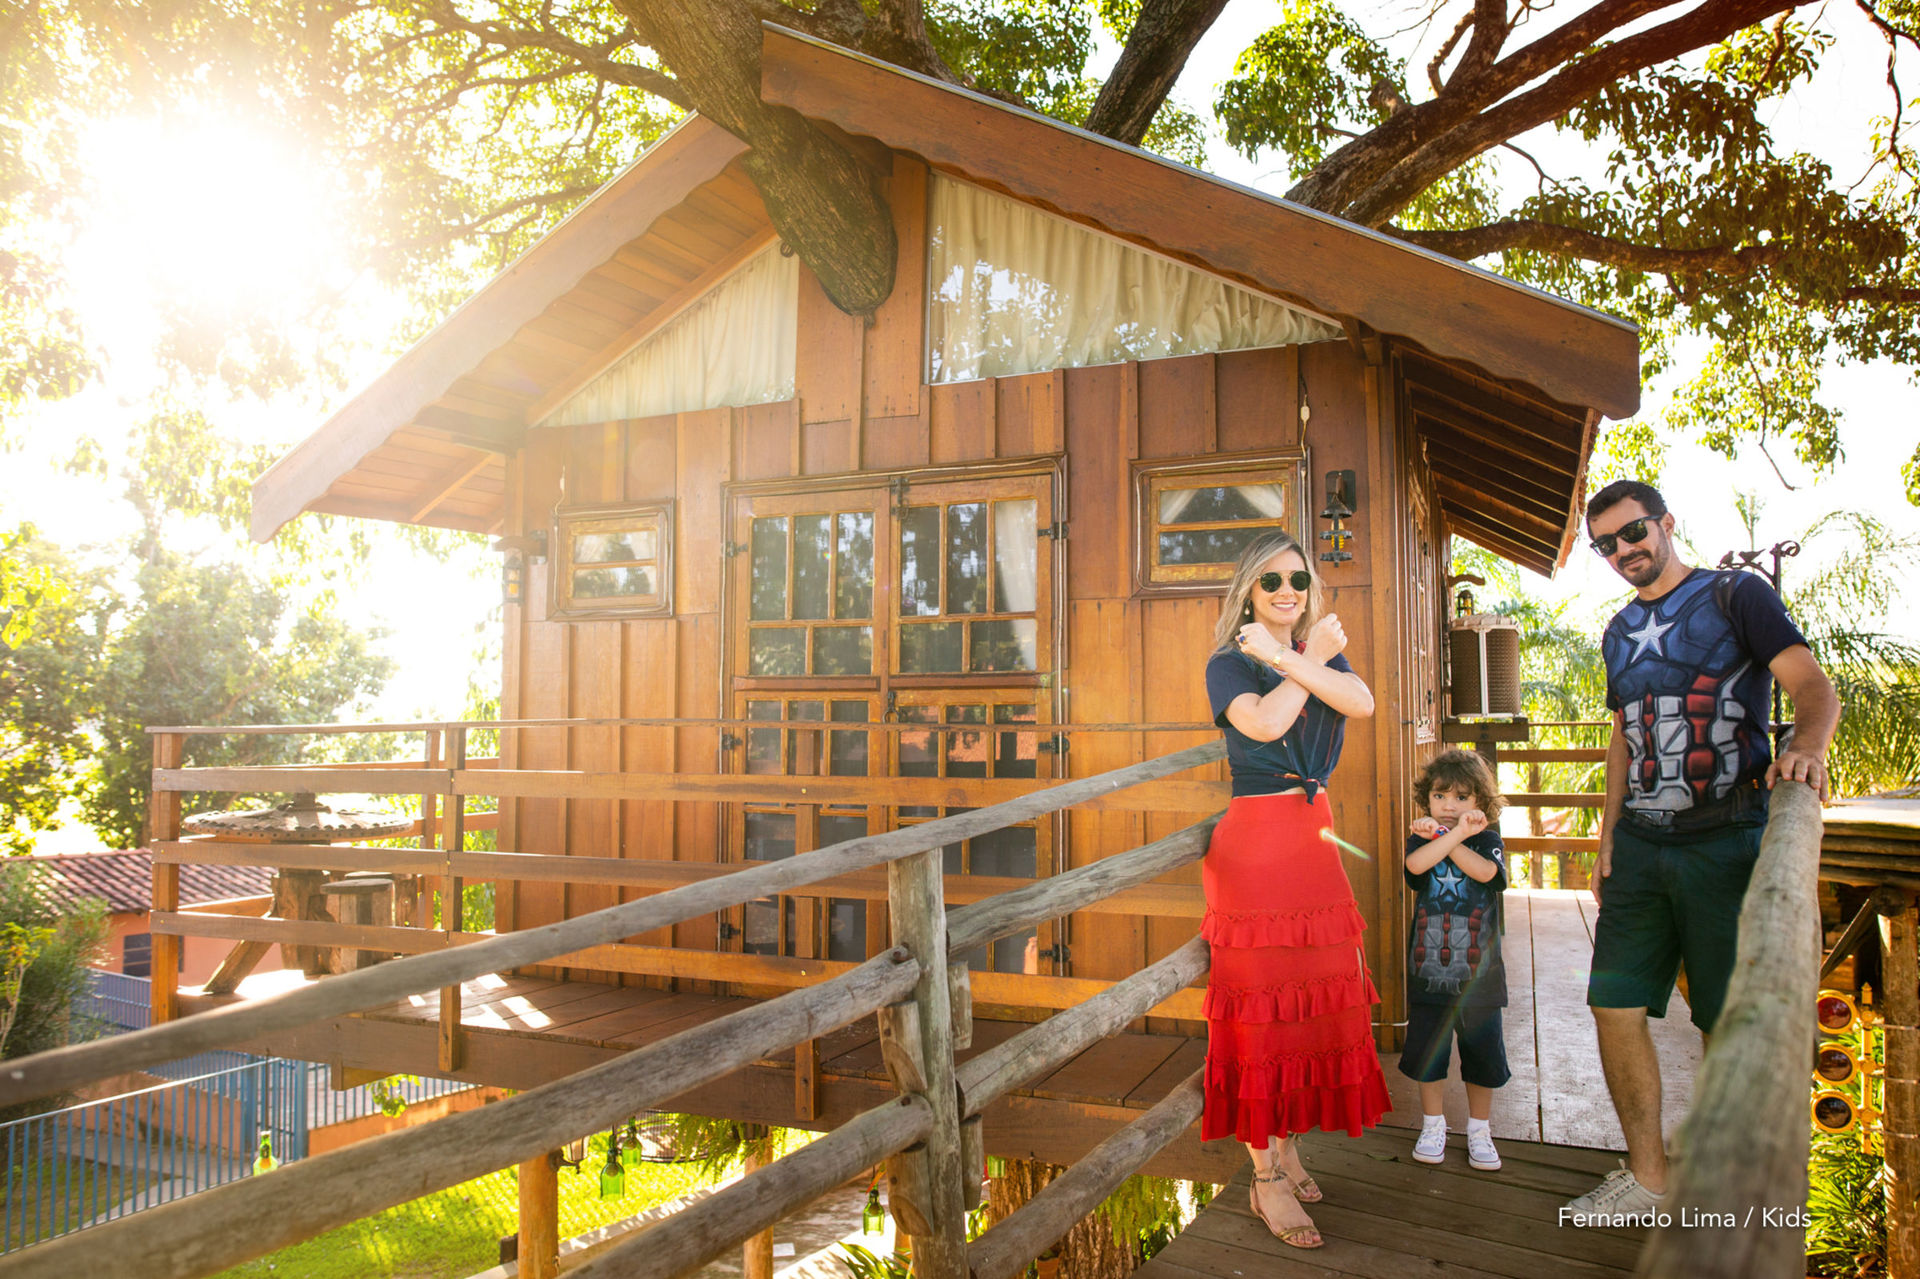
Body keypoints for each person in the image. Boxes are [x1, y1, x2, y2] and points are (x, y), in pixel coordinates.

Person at [1568, 479, 1839, 1219]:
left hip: (1728, 837)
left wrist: (1808, 749)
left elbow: (1813, 687)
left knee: (1723, 1017)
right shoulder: (1618, 630)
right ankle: (1650, 1178)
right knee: (1613, 1004)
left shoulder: (1735, 596)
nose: (1625, 550)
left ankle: (1724, 1195)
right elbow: (1625, 737)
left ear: (1666, 523)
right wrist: (1605, 835)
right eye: (1608, 544)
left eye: (1634, 532)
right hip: (1642, 846)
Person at [1201, 529, 1391, 1250]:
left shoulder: (1313, 654)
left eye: (1299, 581)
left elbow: (1362, 702)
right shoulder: (1229, 661)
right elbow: (1265, 720)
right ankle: (1263, 1172)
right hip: (1255, 846)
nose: (1287, 592)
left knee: (1317, 994)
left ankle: (1287, 1145)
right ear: (1249, 589)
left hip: (1313, 839)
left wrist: (1299, 655)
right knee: (1261, 1011)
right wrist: (1295, 657)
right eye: (1272, 581)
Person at [1400, 749, 1510, 1172]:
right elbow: (1415, 864)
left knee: (1483, 1054)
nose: (1449, 805)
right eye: (1440, 795)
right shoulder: (1421, 839)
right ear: (1426, 799)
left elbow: (1486, 874)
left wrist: (1456, 836)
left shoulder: (1489, 841)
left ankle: (1480, 1130)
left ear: (1481, 803)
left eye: (1462, 798)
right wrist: (1443, 836)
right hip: (1430, 973)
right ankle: (1433, 1125)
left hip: (1480, 976)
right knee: (1430, 1053)